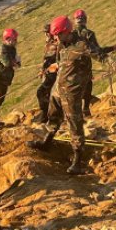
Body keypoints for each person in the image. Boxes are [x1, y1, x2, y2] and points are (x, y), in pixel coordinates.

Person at [39, 15, 95, 175]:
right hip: (58, 88)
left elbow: (100, 55)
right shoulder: (61, 45)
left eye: (58, 34)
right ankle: (46, 142)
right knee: (53, 114)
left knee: (74, 123)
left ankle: (78, 160)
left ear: (67, 31)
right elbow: (61, 60)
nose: (55, 38)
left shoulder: (81, 45)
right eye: (54, 35)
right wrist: (55, 66)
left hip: (72, 91)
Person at [72, 9, 116, 117]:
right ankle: (85, 110)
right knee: (87, 88)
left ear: (75, 20)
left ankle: (75, 112)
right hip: (85, 67)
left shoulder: (70, 35)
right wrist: (111, 48)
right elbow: (97, 51)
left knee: (75, 90)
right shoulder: (89, 34)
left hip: (72, 67)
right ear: (85, 20)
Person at [35, 23, 59, 123]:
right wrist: (42, 70)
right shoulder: (48, 42)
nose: (46, 35)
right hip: (48, 71)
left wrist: (54, 66)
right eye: (45, 33)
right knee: (45, 93)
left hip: (54, 71)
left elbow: (60, 59)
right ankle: (47, 114)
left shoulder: (58, 43)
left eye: (48, 32)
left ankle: (45, 115)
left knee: (41, 92)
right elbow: (45, 58)